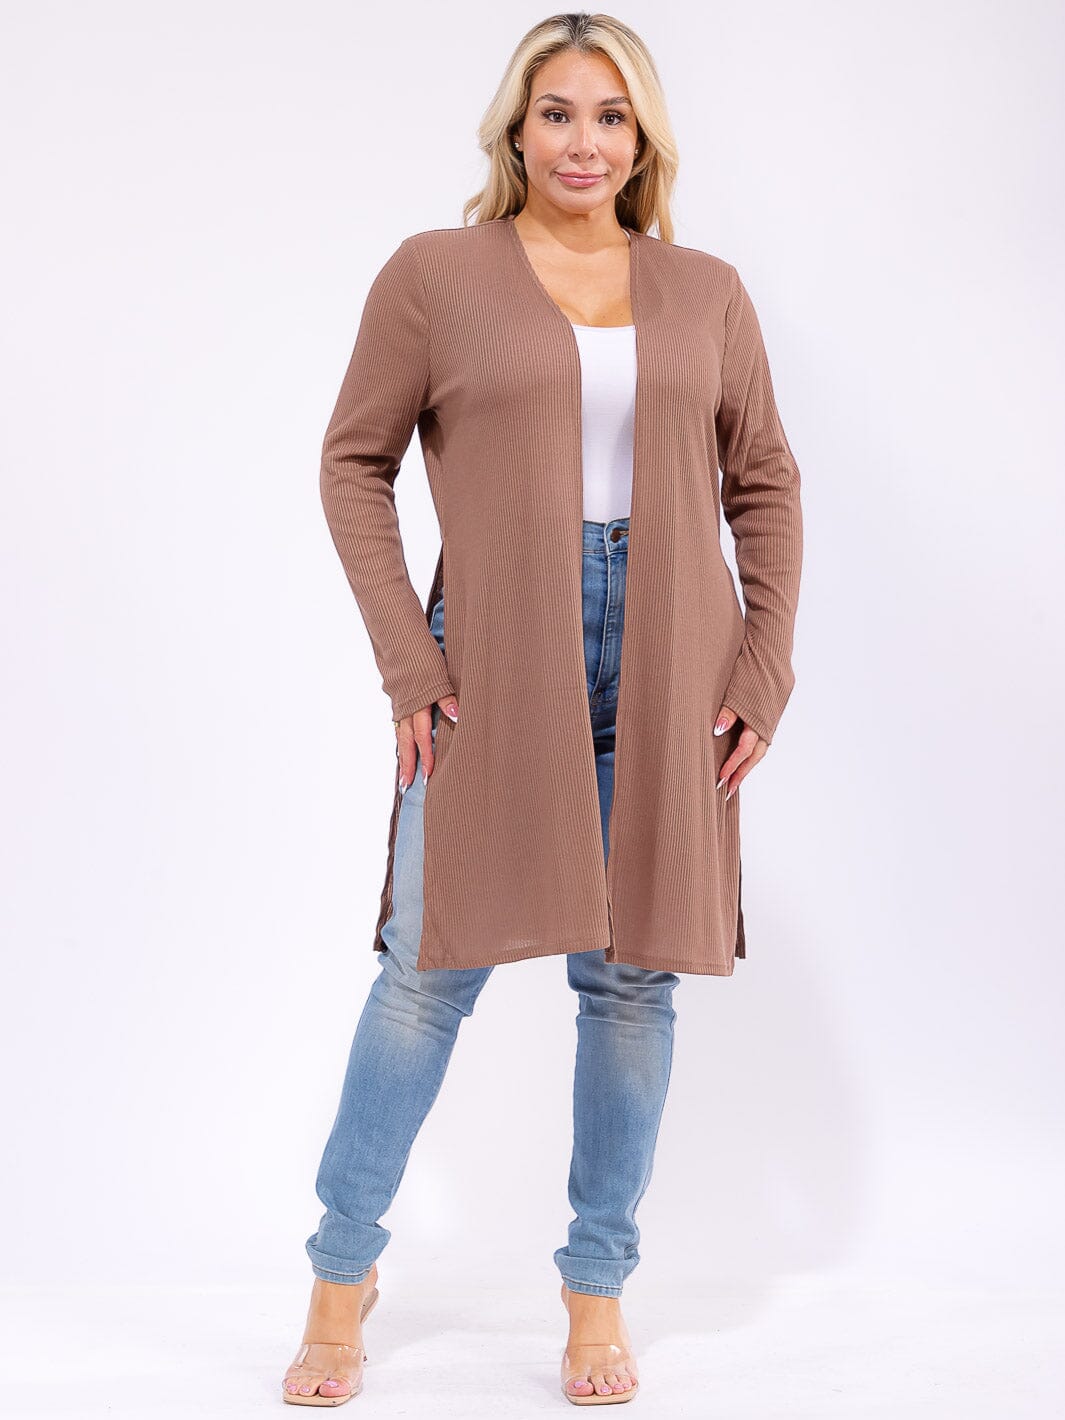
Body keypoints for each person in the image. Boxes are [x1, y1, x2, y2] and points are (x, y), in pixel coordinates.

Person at [283, 11, 802, 1409]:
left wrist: (762, 665)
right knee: (424, 968)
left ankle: (595, 1289)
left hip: (673, 658)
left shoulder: (704, 290)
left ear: (644, 138)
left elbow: (763, 479)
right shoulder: (437, 276)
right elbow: (351, 463)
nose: (584, 142)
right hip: (494, 653)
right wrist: (409, 661)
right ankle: (341, 1273)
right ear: (516, 128)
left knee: (630, 984)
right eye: (558, 113)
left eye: (611, 116)